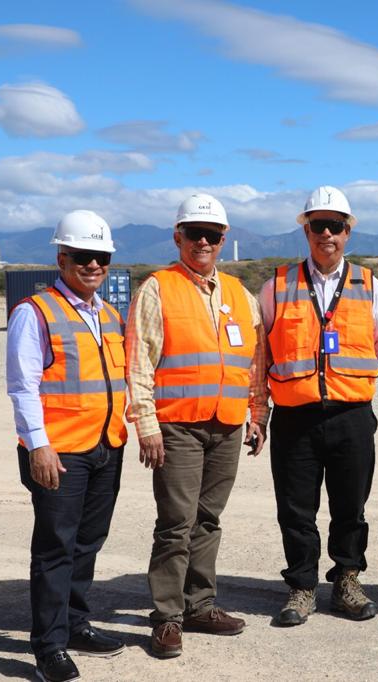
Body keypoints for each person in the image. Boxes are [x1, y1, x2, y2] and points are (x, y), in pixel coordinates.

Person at [125, 194, 268, 659]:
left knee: (208, 520)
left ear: (224, 240)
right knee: (176, 523)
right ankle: (167, 618)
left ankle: (200, 605)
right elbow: (139, 361)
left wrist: (257, 413)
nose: (203, 241)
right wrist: (145, 422)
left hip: (226, 425)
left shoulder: (239, 294)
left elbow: (254, 363)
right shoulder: (158, 288)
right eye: (194, 233)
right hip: (178, 426)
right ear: (178, 236)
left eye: (212, 234)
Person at [260, 185, 378, 626]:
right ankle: (301, 588)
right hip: (295, 417)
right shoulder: (277, 285)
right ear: (307, 231)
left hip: (351, 415)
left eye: (335, 226)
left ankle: (348, 581)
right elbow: (261, 353)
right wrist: (259, 414)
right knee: (296, 509)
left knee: (350, 506)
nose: (326, 235)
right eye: (318, 226)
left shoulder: (370, 285)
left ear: (347, 233)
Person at [7, 211, 127, 682]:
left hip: (104, 446)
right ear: (63, 258)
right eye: (83, 256)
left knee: (88, 544)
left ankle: (76, 624)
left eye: (101, 257)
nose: (93, 264)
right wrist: (38, 446)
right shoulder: (33, 313)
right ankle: (50, 646)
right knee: (56, 548)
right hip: (59, 453)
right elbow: (22, 386)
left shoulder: (110, 315)